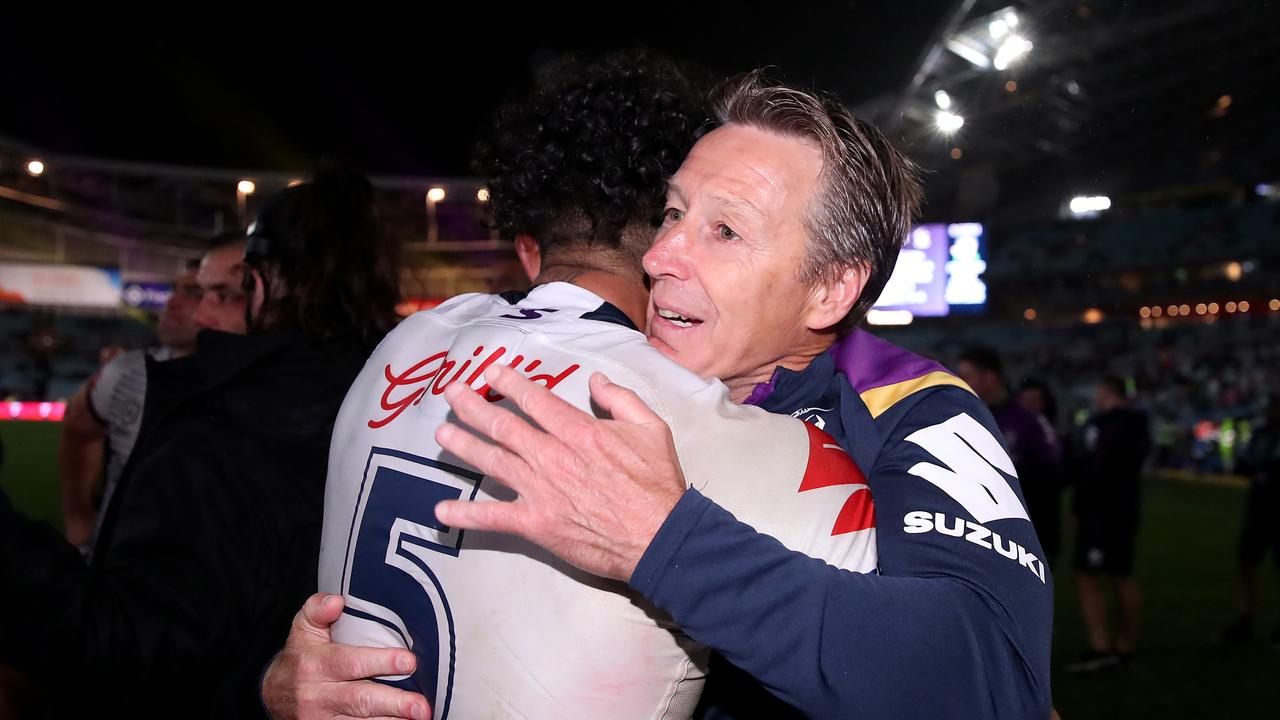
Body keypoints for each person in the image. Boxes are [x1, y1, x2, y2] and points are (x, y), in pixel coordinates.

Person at [267, 71, 1052, 720]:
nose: (664, 252)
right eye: (672, 213)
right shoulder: (596, 371)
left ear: (829, 289)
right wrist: (300, 680)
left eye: (725, 231)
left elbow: (993, 683)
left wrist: (664, 541)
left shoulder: (910, 408)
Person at [0, 168, 401, 718]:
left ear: (258, 286)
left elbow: (128, 652)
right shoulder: (418, 402)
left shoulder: (219, 424)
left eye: (225, 292)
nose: (205, 313)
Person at [58, 261, 203, 550]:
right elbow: (78, 426)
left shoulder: (265, 388)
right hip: (118, 563)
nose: (172, 302)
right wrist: (77, 514)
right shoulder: (126, 372)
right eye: (175, 290)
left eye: (194, 292)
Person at [1066, 375, 1151, 673]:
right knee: (1118, 575)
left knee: (1093, 575)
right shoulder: (1133, 423)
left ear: (1107, 391)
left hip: (1104, 511)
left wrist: (1083, 505)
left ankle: (1104, 647)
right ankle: (1122, 647)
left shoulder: (1112, 424)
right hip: (1117, 508)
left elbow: (1097, 468)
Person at [957, 347, 1063, 567]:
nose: (961, 382)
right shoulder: (966, 417)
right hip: (983, 531)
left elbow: (1053, 469)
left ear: (990, 377)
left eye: (967, 376)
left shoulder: (1026, 418)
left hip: (1027, 531)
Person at [1219, 392, 1280, 646]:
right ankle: (1246, 619)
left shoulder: (1266, 435)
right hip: (1260, 505)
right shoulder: (1263, 433)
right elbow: (1246, 464)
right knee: (1246, 562)